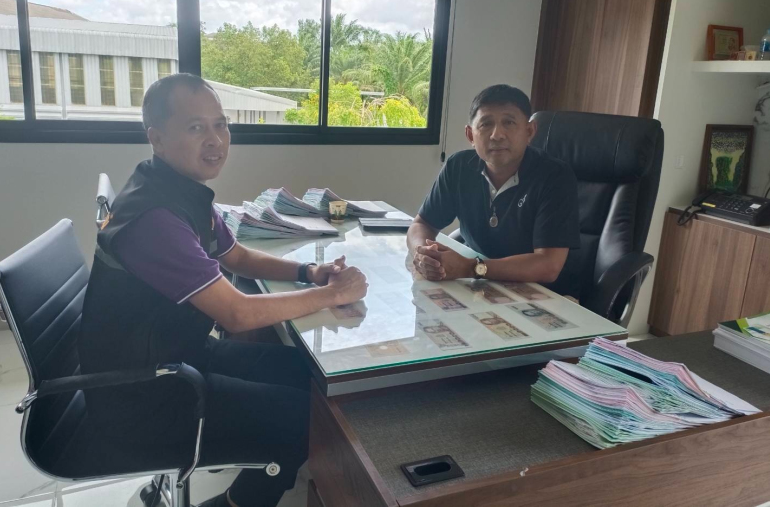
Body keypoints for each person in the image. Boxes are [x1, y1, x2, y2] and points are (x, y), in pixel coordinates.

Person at [79, 73, 368, 507]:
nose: (215, 139)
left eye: (221, 124)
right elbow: (237, 314)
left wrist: (310, 272)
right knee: (307, 418)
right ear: (157, 138)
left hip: (178, 354)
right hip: (144, 392)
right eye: (196, 127)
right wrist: (332, 295)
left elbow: (236, 256)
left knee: (303, 372)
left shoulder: (178, 189)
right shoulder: (155, 218)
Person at [407, 84, 581, 297]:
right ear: (470, 135)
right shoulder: (458, 167)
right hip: (480, 287)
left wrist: (471, 267)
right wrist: (423, 254)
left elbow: (548, 266)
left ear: (529, 131)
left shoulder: (555, 176)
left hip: (546, 294)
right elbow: (422, 224)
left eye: (509, 122)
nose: (497, 135)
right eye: (486, 124)